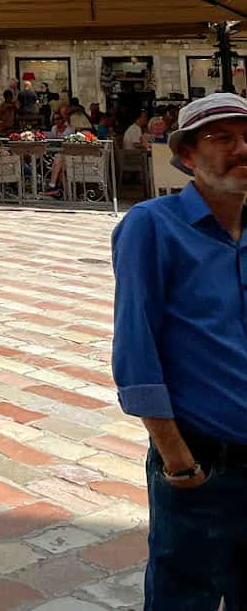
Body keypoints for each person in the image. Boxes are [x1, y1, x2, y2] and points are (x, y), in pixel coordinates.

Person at [111, 92, 247, 606]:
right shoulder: (153, 225)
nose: (242, 149)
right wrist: (178, 461)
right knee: (182, 598)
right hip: (201, 467)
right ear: (187, 156)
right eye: (223, 138)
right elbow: (135, 347)